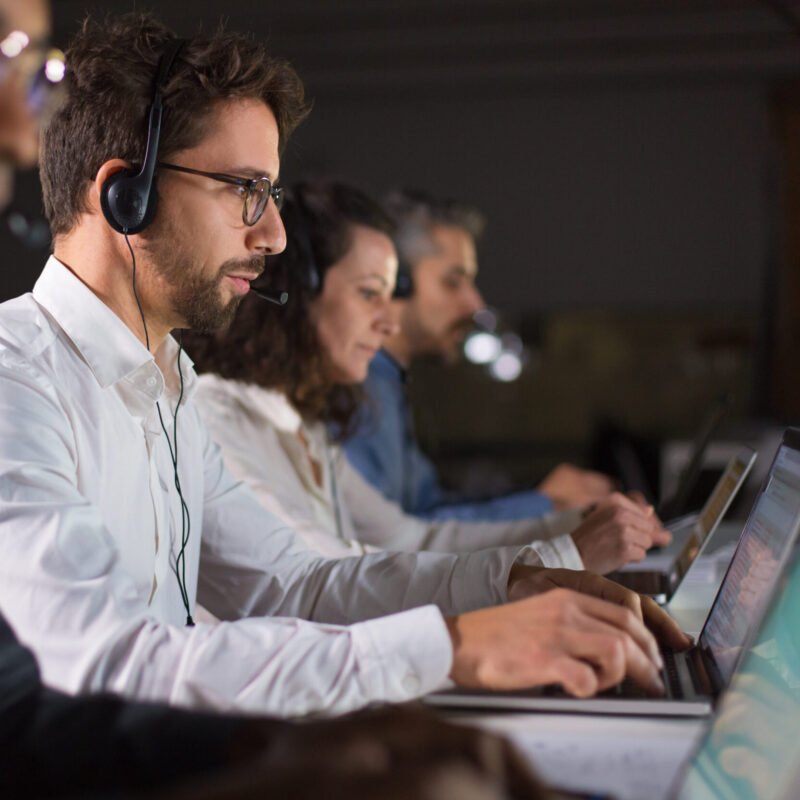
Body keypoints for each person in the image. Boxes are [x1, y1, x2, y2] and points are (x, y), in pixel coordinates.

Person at [0, 12, 689, 725]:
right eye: (245, 189)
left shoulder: (169, 383)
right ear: (125, 197)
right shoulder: (15, 382)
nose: (272, 235)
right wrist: (446, 648)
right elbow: (96, 667)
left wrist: (512, 585)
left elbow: (296, 587)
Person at [188, 179, 670, 574]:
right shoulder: (218, 417)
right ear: (297, 292)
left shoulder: (305, 425)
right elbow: (322, 580)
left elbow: (413, 538)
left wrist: (569, 527)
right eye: (369, 293)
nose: (390, 321)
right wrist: (561, 553)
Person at [344, 188, 618, 519]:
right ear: (397, 281)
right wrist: (543, 504)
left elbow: (427, 508)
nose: (475, 303)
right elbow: (394, 539)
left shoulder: (387, 384)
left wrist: (542, 494)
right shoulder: (355, 387)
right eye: (453, 282)